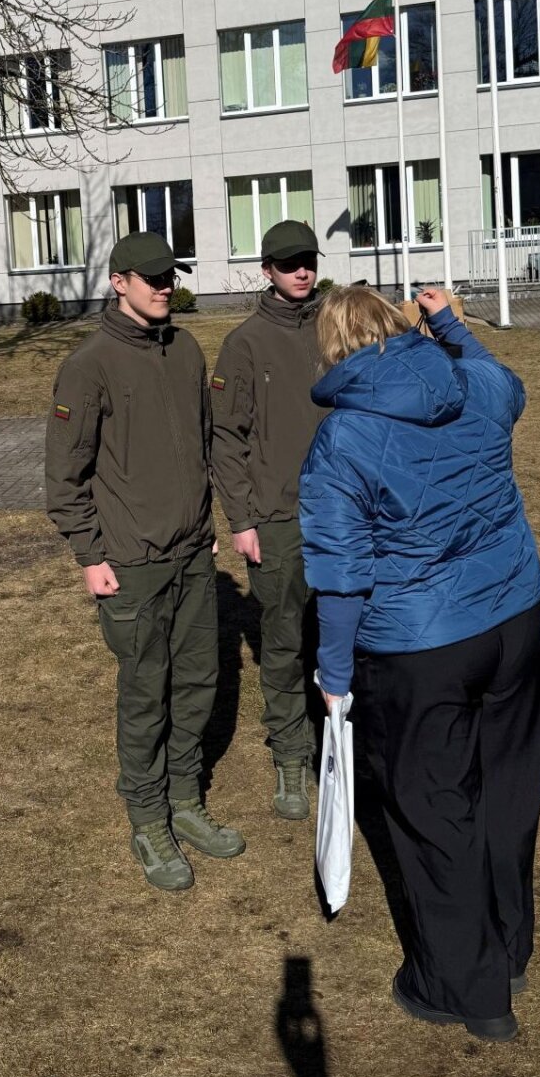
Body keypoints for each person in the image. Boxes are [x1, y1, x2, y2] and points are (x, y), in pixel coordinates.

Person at [299, 286, 540, 1044]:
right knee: (506, 790)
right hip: (514, 623)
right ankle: (506, 950)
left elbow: (341, 573)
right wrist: (450, 327)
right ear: (400, 325)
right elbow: (507, 384)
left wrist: (333, 673)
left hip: (422, 646)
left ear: (333, 347)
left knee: (436, 811)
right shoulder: (471, 380)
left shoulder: (343, 437)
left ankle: (466, 986)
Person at [46, 231, 244, 892]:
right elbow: (64, 476)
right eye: (152, 278)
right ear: (119, 283)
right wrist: (89, 554)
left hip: (191, 552)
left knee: (198, 682)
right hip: (131, 562)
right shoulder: (89, 365)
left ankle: (184, 798)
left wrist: (205, 525)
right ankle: (148, 816)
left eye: (170, 276)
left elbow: (203, 446)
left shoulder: (185, 349)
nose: (165, 287)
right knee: (145, 692)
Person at [210, 220, 324, 821]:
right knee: (284, 642)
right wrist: (242, 519)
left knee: (344, 634)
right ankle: (291, 754)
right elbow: (226, 438)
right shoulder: (245, 344)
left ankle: (340, 742)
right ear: (267, 271)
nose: (301, 271)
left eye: (308, 261)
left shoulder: (336, 327)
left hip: (342, 514)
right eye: (288, 264)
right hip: (278, 519)